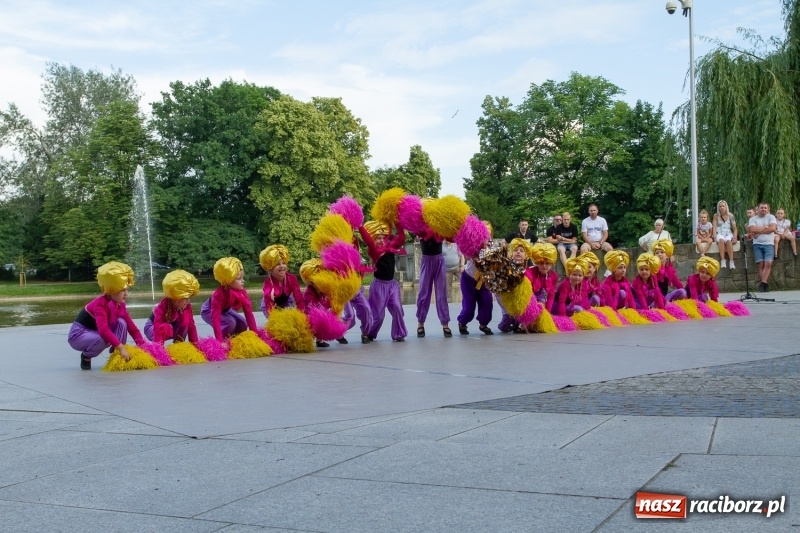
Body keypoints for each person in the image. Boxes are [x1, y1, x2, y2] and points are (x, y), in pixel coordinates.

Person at [68, 261, 145, 370]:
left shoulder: (120, 304)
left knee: (122, 323)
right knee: (102, 339)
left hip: (95, 332)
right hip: (79, 335)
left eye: (127, 289)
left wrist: (143, 345)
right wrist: (122, 348)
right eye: (123, 290)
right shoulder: (100, 304)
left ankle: (116, 353)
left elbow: (132, 327)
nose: (126, 293)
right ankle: (86, 356)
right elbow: (104, 331)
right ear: (112, 291)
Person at [360, 220, 408, 342]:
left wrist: (396, 220)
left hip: (392, 285)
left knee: (397, 308)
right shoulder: (373, 252)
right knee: (379, 316)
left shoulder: (391, 248)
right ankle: (369, 332)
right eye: (378, 238)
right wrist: (360, 226)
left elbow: (402, 238)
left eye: (383, 238)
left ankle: (399, 333)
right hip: (379, 286)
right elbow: (369, 242)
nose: (381, 241)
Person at [200, 257, 259, 341]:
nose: (243, 281)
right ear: (229, 280)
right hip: (208, 311)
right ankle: (224, 341)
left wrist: (255, 335)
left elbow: (249, 313)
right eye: (239, 279)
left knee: (242, 323)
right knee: (230, 322)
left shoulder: (242, 292)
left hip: (225, 309)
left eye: (243, 278)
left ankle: (235, 341)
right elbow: (215, 319)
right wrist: (219, 342)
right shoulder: (219, 295)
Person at [457, 221, 494, 335]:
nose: (486, 235)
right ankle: (462, 322)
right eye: (484, 233)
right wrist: (474, 254)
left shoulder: (493, 248)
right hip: (469, 279)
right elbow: (466, 256)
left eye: (488, 233)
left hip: (483, 281)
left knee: (487, 301)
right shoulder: (472, 245)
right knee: (469, 306)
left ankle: (483, 324)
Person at [144, 269, 200, 345]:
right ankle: (159, 347)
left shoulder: (187, 306)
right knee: (166, 326)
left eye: (189, 297)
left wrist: (195, 343)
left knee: (186, 322)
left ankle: (178, 345)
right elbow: (157, 326)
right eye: (185, 298)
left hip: (171, 328)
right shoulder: (163, 306)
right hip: (152, 329)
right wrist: (158, 349)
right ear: (177, 297)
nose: (188, 301)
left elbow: (191, 325)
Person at [300, 258, 346, 348]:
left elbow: (330, 303)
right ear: (312, 283)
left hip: (321, 313)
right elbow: (311, 310)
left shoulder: (325, 291)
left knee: (335, 318)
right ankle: (313, 339)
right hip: (309, 316)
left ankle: (320, 340)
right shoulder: (309, 294)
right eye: (318, 282)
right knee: (315, 322)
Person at [415, 235, 452, 338]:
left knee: (441, 293)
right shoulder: (420, 225)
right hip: (426, 261)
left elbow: (451, 238)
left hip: (439, 261)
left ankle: (445, 323)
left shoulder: (439, 226)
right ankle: (420, 322)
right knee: (423, 293)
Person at [342, 235, 374, 344]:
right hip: (344, 291)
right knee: (350, 316)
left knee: (366, 309)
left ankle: (365, 334)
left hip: (356, 289)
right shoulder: (338, 255)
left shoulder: (356, 254)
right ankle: (339, 332)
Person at [259, 244, 305, 318]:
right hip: (269, 306)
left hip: (285, 303)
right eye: (277, 264)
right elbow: (269, 303)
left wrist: (302, 315)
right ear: (271, 267)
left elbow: (298, 298)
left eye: (283, 263)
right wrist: (274, 319)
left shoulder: (292, 279)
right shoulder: (268, 283)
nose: (282, 266)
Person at [748, 202, 778, 292]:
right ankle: (765, 284)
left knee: (768, 263)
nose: (763, 209)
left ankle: (763, 283)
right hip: (757, 244)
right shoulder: (753, 219)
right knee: (760, 264)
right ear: (758, 209)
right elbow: (752, 229)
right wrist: (765, 227)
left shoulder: (771, 217)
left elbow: (772, 229)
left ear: (768, 209)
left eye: (765, 208)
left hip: (769, 244)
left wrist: (759, 232)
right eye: (762, 208)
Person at [530, 242, 559, 312]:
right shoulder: (530, 272)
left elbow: (551, 296)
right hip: (529, 298)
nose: (544, 266)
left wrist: (547, 312)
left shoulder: (553, 276)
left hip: (541, 299)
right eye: (541, 263)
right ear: (537, 263)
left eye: (547, 263)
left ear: (551, 264)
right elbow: (527, 294)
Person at [712, 200, 738, 269]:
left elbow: (735, 228)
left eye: (723, 206)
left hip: (728, 233)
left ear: (726, 207)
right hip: (719, 233)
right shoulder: (716, 216)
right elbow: (714, 227)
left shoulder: (731, 215)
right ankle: (723, 260)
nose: (722, 208)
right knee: (721, 240)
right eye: (720, 206)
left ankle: (731, 262)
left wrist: (735, 238)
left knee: (728, 241)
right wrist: (714, 237)